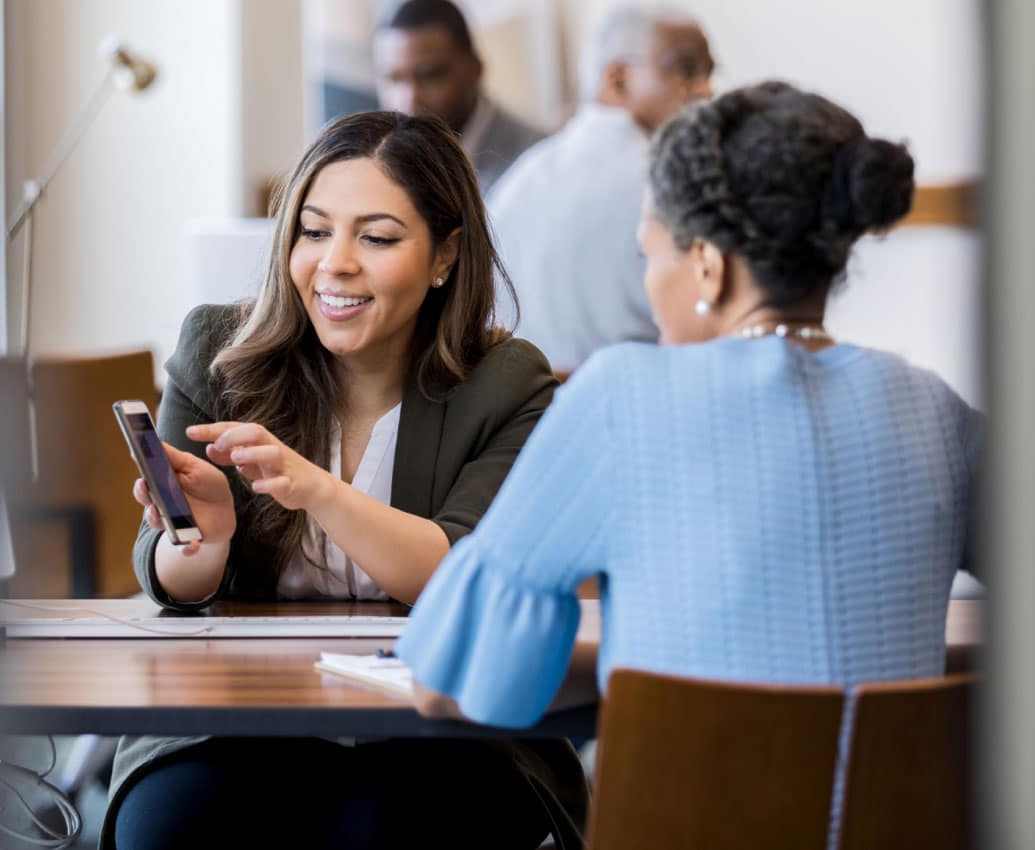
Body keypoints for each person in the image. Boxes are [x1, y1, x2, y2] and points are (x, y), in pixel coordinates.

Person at [399, 81, 981, 787]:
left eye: (650, 254)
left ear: (707, 263)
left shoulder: (620, 396)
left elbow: (451, 678)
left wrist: (636, 667)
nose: (648, 283)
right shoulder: (936, 412)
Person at [103, 111, 587, 850]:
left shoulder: (507, 382)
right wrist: (203, 538)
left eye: (378, 237)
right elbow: (171, 577)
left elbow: (464, 575)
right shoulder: (216, 353)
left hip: (443, 731)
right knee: (170, 830)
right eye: (314, 230)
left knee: (388, 830)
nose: (335, 263)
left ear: (444, 256)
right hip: (237, 725)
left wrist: (318, 490)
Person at [489, 6, 714, 373]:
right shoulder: (670, 182)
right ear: (618, 79)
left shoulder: (520, 180)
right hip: (643, 410)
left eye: (708, 73)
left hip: (523, 419)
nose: (706, 90)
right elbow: (710, 333)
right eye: (686, 70)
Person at [374, 0, 545, 195]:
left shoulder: (536, 162)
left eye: (430, 76)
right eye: (394, 79)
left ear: (476, 69)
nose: (410, 99)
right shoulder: (379, 162)